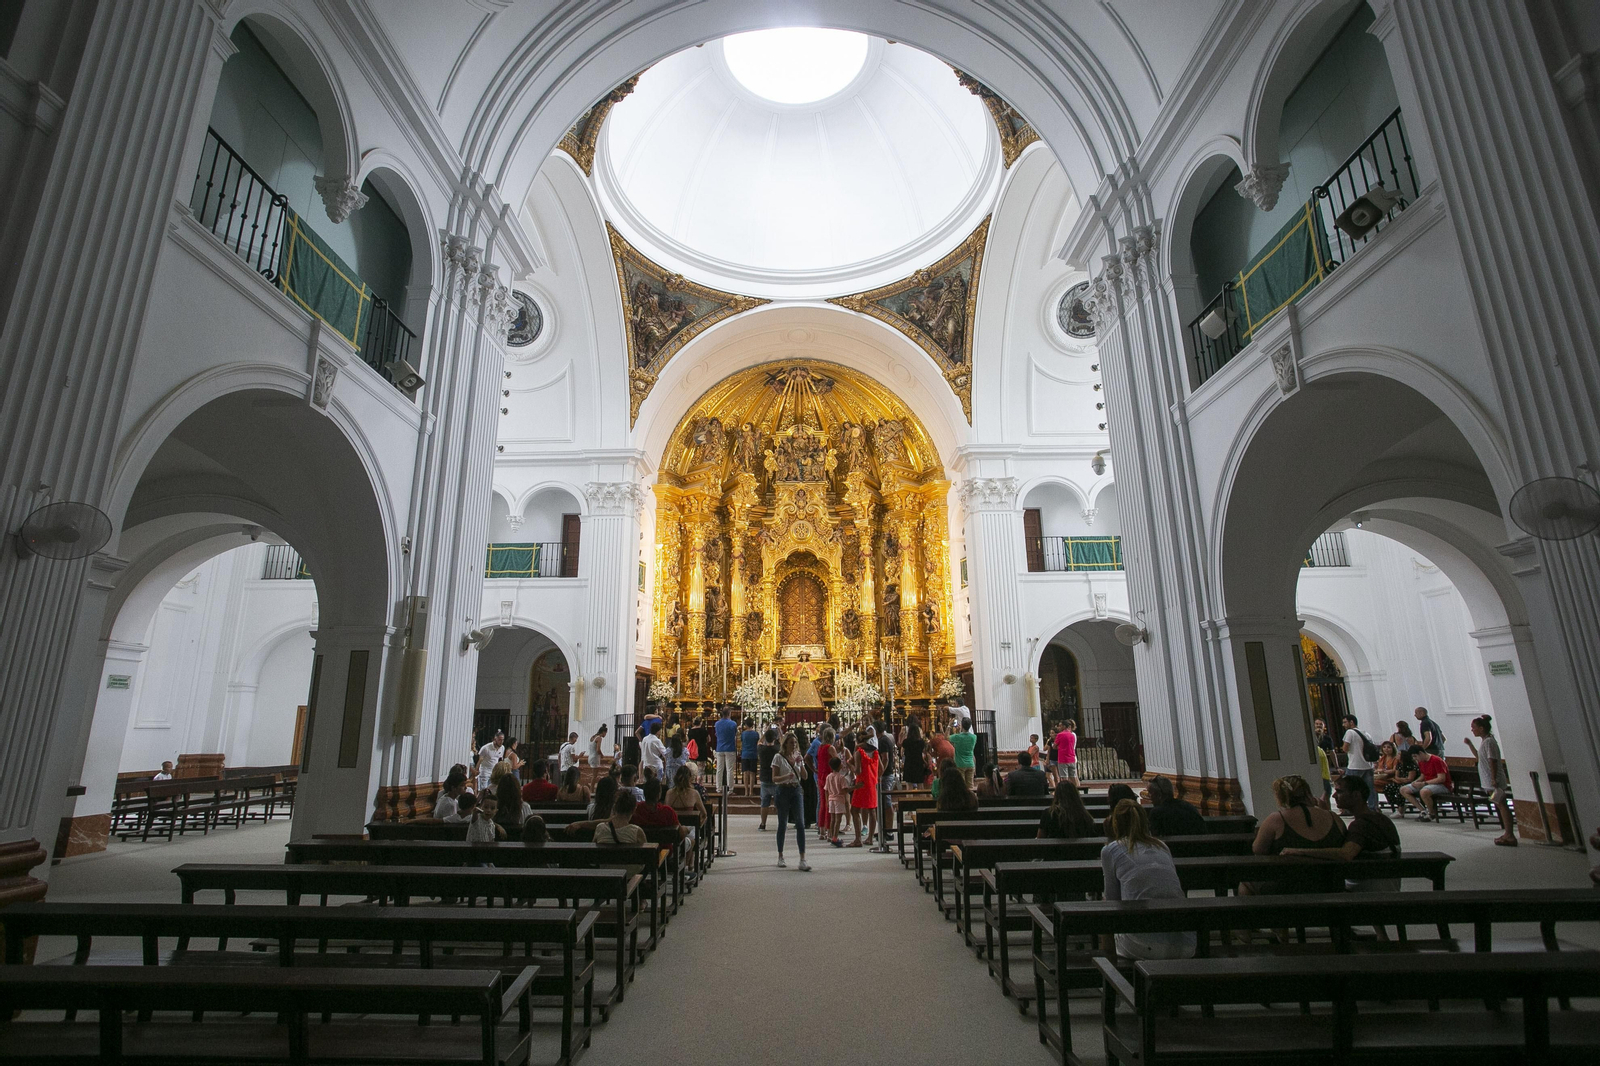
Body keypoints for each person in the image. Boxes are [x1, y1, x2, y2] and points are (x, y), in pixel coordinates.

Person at [1100, 800, 1196, 959]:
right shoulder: (1161, 846)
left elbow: (1111, 900)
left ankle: (1109, 968)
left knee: (1105, 912)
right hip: (1185, 942)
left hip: (1144, 944)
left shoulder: (1111, 850)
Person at [1281, 775, 1401, 892]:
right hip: (1388, 887)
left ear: (1356, 795)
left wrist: (1300, 851)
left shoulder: (1361, 825)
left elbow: (1345, 854)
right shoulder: (1380, 819)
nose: (1334, 795)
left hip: (1368, 892)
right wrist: (1326, 812)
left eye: (1339, 792)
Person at [1250, 775, 1345, 856]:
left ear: (1281, 797)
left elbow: (1258, 849)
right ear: (1308, 793)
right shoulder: (1333, 817)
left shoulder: (1276, 819)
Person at [1464, 714, 1516, 845]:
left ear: (1481, 728)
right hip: (1489, 780)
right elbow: (1480, 757)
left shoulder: (1489, 742)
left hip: (1493, 780)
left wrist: (1493, 778)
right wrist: (1470, 744)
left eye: (1474, 727)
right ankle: (1508, 833)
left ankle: (1509, 834)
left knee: (1502, 805)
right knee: (1499, 804)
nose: (1472, 730)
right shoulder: (1485, 741)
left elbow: (1492, 760)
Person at [770, 732, 812, 870]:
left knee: (800, 823)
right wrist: (786, 776)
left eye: (795, 743)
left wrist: (801, 764)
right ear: (785, 744)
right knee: (782, 823)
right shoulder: (778, 757)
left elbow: (804, 777)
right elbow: (774, 778)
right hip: (783, 790)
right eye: (791, 743)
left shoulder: (797, 756)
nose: (793, 745)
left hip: (796, 789)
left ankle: (802, 858)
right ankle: (780, 855)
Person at [1340, 713, 1380, 810]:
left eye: (1345, 722)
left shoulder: (1350, 732)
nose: (1343, 725)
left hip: (1355, 765)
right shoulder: (1366, 734)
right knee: (1370, 789)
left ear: (1351, 722)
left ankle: (1351, 808)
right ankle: (1373, 808)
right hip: (1368, 766)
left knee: (1349, 788)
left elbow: (1345, 748)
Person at [1401, 747, 1453, 820]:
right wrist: (1416, 782)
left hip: (1442, 785)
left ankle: (1431, 813)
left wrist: (1424, 783)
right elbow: (1423, 775)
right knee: (1404, 789)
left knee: (1424, 791)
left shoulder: (1437, 760)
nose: (1415, 759)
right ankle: (1423, 810)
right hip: (1427, 783)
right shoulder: (1421, 761)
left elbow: (1441, 779)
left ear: (1421, 753)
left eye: (1415, 756)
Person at [849, 734, 881, 846]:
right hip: (872, 783)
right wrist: (874, 778)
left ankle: (858, 838)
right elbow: (881, 768)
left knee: (854, 810)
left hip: (861, 783)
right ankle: (870, 838)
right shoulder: (876, 753)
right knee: (872, 810)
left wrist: (850, 765)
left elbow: (857, 770)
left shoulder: (859, 753)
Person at [813, 726, 836, 840]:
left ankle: (821, 830)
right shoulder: (830, 748)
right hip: (829, 777)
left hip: (820, 777)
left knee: (823, 803)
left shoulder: (820, 747)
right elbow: (836, 761)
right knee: (829, 804)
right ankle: (829, 829)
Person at [824, 756, 853, 847]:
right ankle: (835, 838)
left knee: (832, 819)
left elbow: (826, 790)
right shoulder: (841, 777)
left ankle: (830, 835)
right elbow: (844, 790)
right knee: (838, 820)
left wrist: (827, 801)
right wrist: (855, 787)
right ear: (839, 766)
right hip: (839, 799)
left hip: (831, 799)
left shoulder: (828, 777)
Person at [756, 727, 780, 830]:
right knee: (779, 803)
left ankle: (763, 824)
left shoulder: (762, 749)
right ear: (775, 738)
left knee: (764, 803)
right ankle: (781, 823)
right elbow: (782, 743)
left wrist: (764, 733)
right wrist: (780, 732)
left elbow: (759, 742)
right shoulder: (777, 749)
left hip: (765, 778)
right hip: (776, 778)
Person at [900, 720, 931, 793]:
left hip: (909, 763)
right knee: (920, 785)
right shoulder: (921, 742)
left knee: (909, 785)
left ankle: (909, 799)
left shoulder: (906, 741)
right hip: (919, 763)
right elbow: (924, 752)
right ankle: (921, 799)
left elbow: (900, 745)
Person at [714, 707, 739, 794]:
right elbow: (735, 734)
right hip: (730, 748)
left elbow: (716, 734)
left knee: (719, 769)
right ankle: (730, 789)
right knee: (729, 769)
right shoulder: (733, 723)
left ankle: (718, 788)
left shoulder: (717, 723)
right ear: (729, 713)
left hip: (720, 748)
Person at [949, 718, 978, 789]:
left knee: (961, 786)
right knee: (970, 786)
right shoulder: (974, 737)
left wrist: (949, 725)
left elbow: (946, 737)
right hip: (970, 763)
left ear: (962, 725)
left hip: (960, 764)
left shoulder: (958, 737)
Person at [739, 718, 759, 796]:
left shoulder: (743, 734)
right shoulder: (756, 734)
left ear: (746, 725)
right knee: (752, 773)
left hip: (745, 754)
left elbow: (741, 741)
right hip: (753, 754)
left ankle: (746, 791)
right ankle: (751, 791)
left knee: (745, 773)